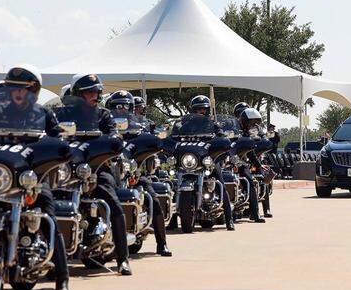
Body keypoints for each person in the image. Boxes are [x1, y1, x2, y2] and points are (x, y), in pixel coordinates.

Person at [0, 66, 71, 290]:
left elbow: (57, 138)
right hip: (1, 178)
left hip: (33, 179)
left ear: (33, 91)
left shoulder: (43, 114)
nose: (17, 93)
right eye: (13, 88)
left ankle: (62, 278)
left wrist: (58, 144)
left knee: (49, 219)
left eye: (23, 89)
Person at [58, 73, 131, 276]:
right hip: (66, 170)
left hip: (97, 169)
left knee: (114, 205)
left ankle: (122, 259)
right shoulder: (61, 114)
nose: (95, 95)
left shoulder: (103, 115)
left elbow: (113, 133)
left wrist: (113, 139)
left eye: (97, 91)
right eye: (90, 92)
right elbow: (50, 133)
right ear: (77, 94)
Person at [106, 90, 172, 256]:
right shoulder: (106, 128)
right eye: (117, 107)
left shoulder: (138, 128)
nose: (121, 110)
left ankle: (161, 243)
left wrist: (151, 137)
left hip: (135, 173)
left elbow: (151, 139)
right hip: (111, 172)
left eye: (125, 107)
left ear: (131, 109)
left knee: (153, 199)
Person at [172, 95, 235, 230]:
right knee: (172, 183)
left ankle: (229, 219)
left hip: (207, 158)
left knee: (220, 183)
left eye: (203, 109)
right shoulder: (185, 125)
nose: (200, 112)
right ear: (193, 111)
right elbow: (174, 135)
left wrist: (222, 139)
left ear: (207, 111)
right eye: (197, 109)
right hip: (189, 159)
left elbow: (221, 136)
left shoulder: (212, 124)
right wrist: (170, 138)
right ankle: (173, 219)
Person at [234, 106, 267, 223]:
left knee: (250, 182)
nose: (253, 125)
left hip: (240, 163)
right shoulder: (233, 129)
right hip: (226, 162)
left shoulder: (246, 134)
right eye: (251, 122)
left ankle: (255, 213)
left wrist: (259, 164)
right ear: (244, 121)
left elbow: (250, 152)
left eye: (255, 123)